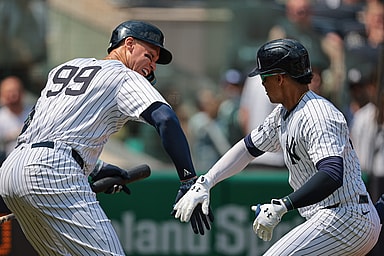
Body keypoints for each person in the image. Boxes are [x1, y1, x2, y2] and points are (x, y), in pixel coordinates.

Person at [0, 20, 213, 256]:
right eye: (149, 55)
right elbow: (166, 119)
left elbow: (50, 127)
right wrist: (188, 178)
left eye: (155, 61)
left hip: (12, 170)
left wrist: (94, 168)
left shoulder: (66, 67)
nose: (152, 66)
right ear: (129, 44)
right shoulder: (123, 75)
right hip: (51, 170)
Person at [173, 38, 382, 255]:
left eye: (264, 77)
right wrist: (206, 182)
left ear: (281, 78)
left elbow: (332, 174)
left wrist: (282, 205)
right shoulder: (283, 114)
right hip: (337, 217)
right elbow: (247, 149)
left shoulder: (318, 114)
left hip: (345, 218)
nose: (262, 84)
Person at [0, 76, 31, 164]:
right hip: (8, 165)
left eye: (16, 91)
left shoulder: (34, 114)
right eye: (8, 92)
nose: (13, 95)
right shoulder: (1, 118)